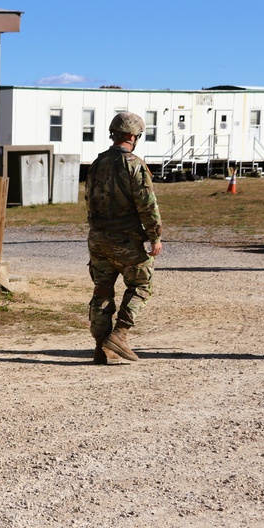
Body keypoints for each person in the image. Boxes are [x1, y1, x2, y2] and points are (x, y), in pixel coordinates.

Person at [85, 111, 163, 364]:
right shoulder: (134, 164)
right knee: (141, 285)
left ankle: (101, 348)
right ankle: (119, 335)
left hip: (98, 238)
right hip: (126, 239)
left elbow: (89, 199)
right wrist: (155, 236)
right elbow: (147, 204)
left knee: (102, 292)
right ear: (132, 136)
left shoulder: (97, 163)